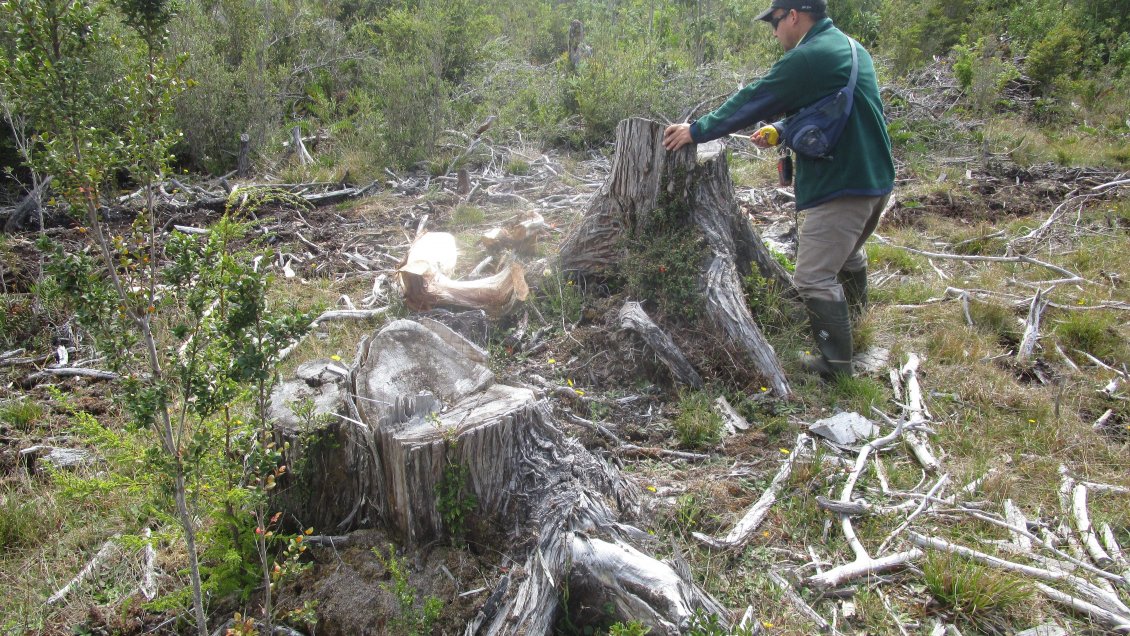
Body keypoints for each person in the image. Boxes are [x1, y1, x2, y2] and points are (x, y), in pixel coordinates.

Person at [663, 0, 894, 380]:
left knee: (813, 277)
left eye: (774, 21)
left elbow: (755, 98)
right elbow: (838, 107)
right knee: (847, 256)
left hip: (842, 186)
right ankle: (856, 326)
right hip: (874, 181)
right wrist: (784, 130)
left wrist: (696, 130)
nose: (773, 32)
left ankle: (836, 366)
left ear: (793, 15)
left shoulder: (807, 57)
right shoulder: (849, 47)